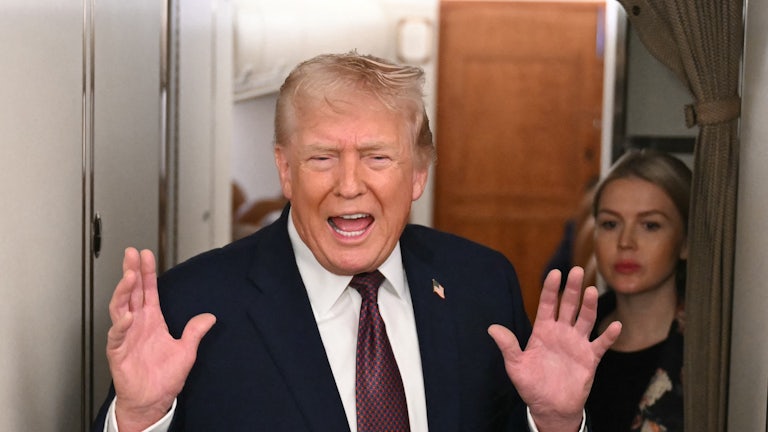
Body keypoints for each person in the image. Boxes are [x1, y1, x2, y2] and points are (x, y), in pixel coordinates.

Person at [93, 52, 621, 432]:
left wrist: (553, 423)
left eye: (377, 157)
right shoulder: (193, 303)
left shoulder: (481, 285)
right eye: (322, 157)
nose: (349, 184)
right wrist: (139, 419)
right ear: (285, 169)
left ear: (418, 174)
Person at [585, 149, 690, 431]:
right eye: (610, 223)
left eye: (649, 225)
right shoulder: (571, 340)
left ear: (685, 243)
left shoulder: (708, 351)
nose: (625, 241)